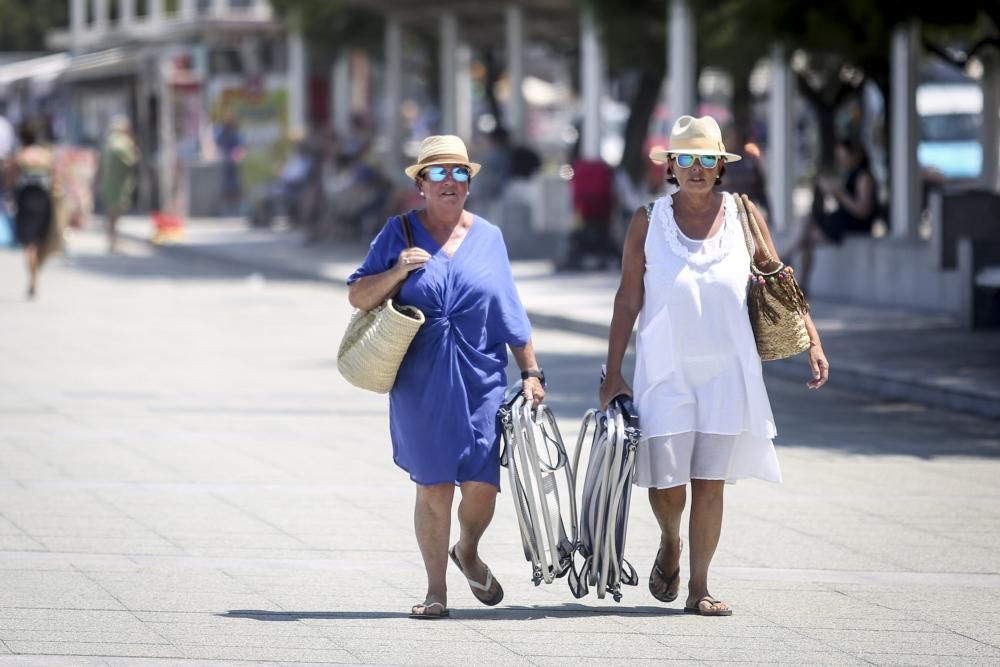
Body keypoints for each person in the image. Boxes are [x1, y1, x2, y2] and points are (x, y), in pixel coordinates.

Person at [600, 115, 829, 617]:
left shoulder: (745, 214)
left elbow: (780, 281)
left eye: (708, 159)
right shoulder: (647, 219)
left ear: (721, 166)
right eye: (687, 159)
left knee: (708, 481)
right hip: (665, 372)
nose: (698, 168)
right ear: (671, 166)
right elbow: (626, 300)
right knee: (666, 481)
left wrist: (812, 340)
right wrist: (612, 371)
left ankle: (699, 587)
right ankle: (670, 540)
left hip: (728, 372)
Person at [346, 135, 545, 620]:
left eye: (460, 172)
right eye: (438, 173)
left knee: (482, 485)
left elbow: (508, 309)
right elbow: (357, 295)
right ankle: (437, 590)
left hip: (481, 377)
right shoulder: (398, 232)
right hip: (421, 379)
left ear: (470, 183)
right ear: (421, 184)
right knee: (433, 485)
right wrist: (396, 272)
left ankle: (469, 550)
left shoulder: (490, 237)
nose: (450, 181)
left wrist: (531, 372)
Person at [785, 137, 876, 295]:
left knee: (807, 227)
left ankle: (786, 256)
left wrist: (839, 193)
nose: (841, 161)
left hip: (853, 224)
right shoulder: (850, 174)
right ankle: (802, 284)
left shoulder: (864, 177)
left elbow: (863, 211)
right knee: (806, 232)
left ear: (854, 155)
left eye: (843, 157)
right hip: (842, 220)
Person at [6, 122, 56, 299]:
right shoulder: (46, 155)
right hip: (44, 201)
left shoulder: (20, 156)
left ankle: (33, 279)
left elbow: (11, 181)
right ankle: (35, 275)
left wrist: (10, 196)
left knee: (29, 244)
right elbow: (55, 180)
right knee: (41, 240)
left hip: (26, 201)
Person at [99, 115, 139, 253]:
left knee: (112, 215)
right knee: (115, 215)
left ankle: (113, 241)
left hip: (110, 184)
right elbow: (132, 159)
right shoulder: (122, 142)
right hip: (119, 185)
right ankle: (114, 242)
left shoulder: (109, 142)